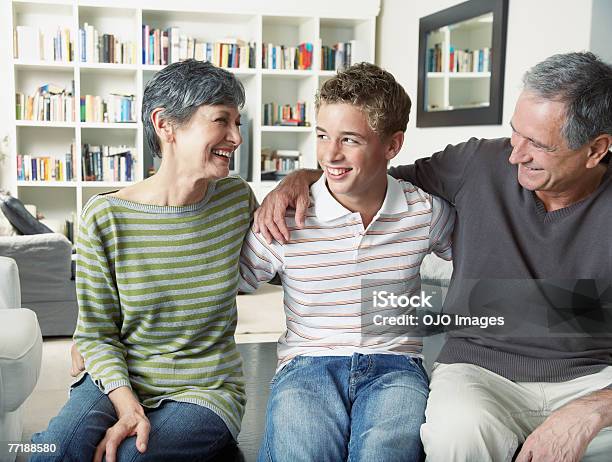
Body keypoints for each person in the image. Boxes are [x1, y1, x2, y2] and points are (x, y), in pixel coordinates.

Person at [254, 51, 612, 461]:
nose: (515, 155)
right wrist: (301, 179)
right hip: (481, 371)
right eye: (516, 133)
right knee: (453, 437)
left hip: (594, 378)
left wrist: (593, 410)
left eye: (538, 144)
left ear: (596, 149)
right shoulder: (480, 163)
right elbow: (372, 176)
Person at [32, 59, 256, 462]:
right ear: (165, 124)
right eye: (222, 120)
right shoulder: (105, 216)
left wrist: (298, 178)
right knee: (58, 450)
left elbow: (327, 190)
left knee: (132, 457)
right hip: (117, 379)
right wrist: (128, 406)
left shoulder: (236, 200)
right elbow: (97, 332)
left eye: (238, 123)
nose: (236, 137)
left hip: (205, 387)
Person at [239, 62, 454, 461]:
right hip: (307, 365)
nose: (329, 154)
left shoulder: (423, 212)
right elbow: (228, 282)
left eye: (349, 140)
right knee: (299, 450)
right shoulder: (285, 217)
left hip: (396, 367)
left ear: (392, 146)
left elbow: (481, 263)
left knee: (384, 453)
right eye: (322, 136)